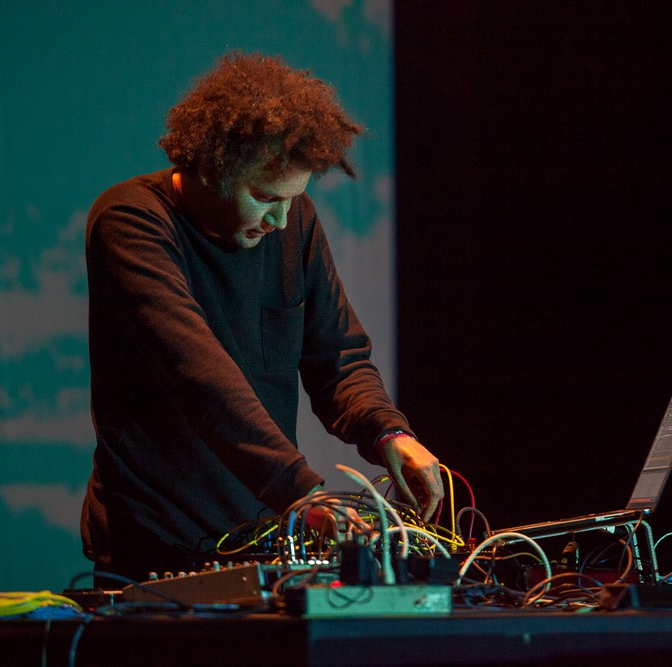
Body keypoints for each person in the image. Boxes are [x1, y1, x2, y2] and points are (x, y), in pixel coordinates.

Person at [80, 51, 443, 584]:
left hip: (260, 534)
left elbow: (338, 358)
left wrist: (388, 432)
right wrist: (301, 491)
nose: (280, 218)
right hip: (153, 544)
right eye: (265, 197)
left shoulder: (294, 222)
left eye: (292, 200)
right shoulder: (130, 222)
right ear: (212, 168)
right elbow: (200, 377)